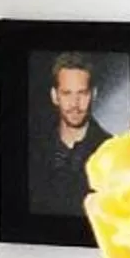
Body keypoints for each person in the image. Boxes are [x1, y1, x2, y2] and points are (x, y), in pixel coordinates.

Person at [29, 56, 110, 216]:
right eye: (67, 93)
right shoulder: (33, 149)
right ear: (54, 96)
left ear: (93, 94)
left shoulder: (112, 152)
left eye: (82, 93)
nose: (75, 104)